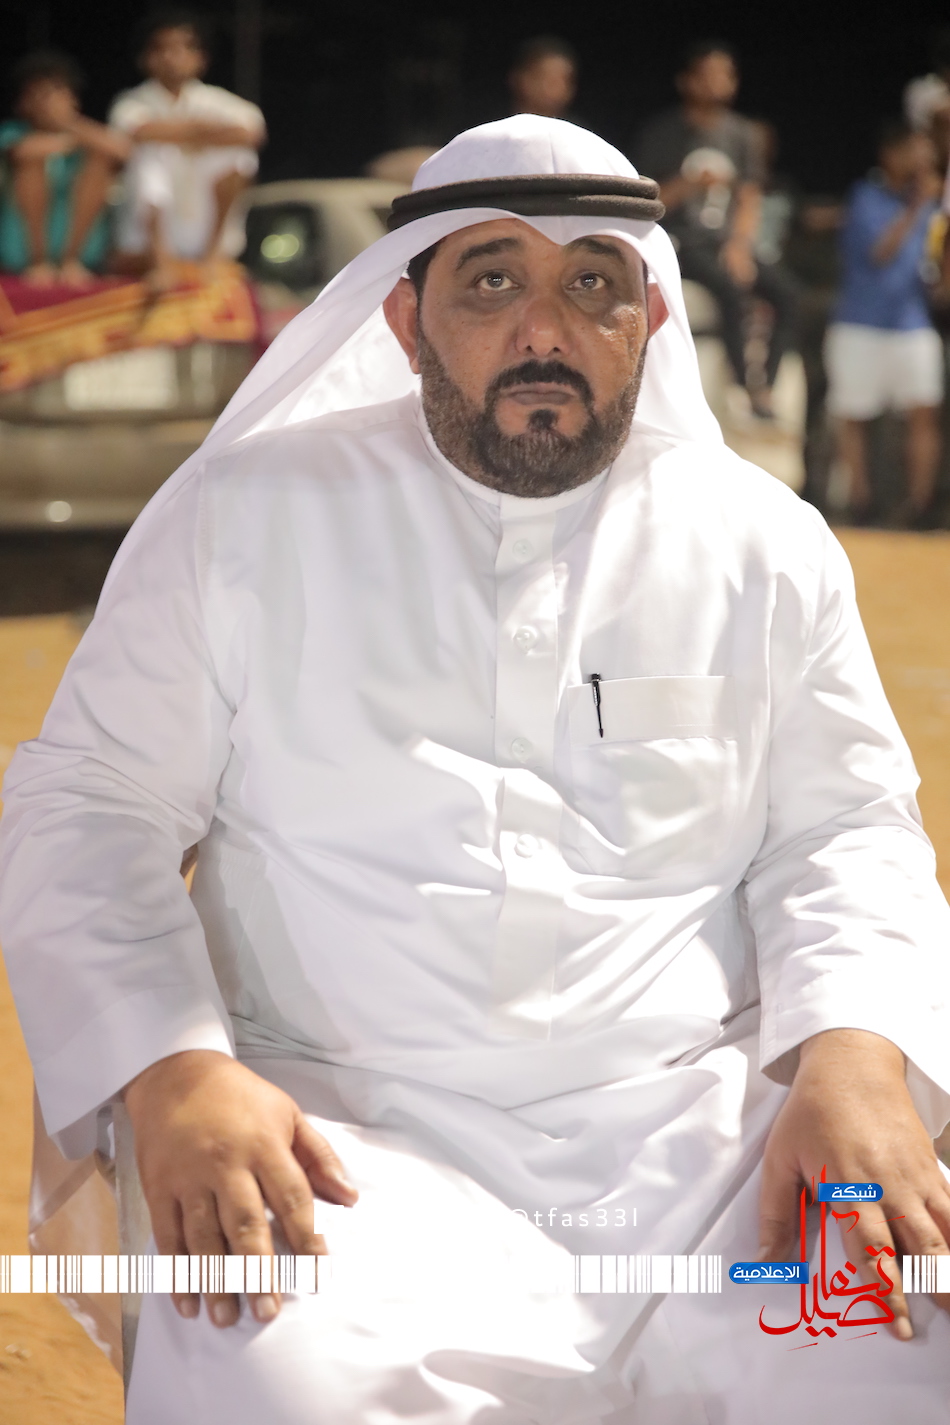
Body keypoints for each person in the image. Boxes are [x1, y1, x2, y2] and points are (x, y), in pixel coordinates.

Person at [1, 116, 950, 1425]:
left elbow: (841, 830)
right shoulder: (246, 519)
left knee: (896, 1358)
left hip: (713, 1147)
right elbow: (91, 806)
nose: (541, 328)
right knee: (280, 1386)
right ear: (405, 323)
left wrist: (852, 1056)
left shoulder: (759, 545)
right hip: (345, 1143)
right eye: (490, 281)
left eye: (590, 284)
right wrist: (174, 1070)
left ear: (648, 320)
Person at [634, 40, 800, 419]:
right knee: (729, 290)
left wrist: (740, 245)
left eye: (726, 75)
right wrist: (690, 184)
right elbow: (648, 199)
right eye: (708, 75)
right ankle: (744, 387)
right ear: (687, 80)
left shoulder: (742, 134)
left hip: (727, 241)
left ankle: (767, 384)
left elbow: (749, 195)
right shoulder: (663, 132)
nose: (718, 83)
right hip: (680, 241)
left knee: (788, 294)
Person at [824, 119, 943, 526]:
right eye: (913, 151)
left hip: (913, 322)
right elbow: (880, 253)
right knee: (853, 414)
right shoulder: (866, 196)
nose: (922, 160)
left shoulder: (935, 207)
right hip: (860, 322)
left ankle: (919, 507)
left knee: (923, 413)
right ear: (890, 154)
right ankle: (860, 502)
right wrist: (916, 207)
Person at [108, 9, 265, 277]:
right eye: (163, 49)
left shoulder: (217, 100)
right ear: (146, 58)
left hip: (201, 229)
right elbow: (139, 132)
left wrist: (180, 133)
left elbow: (250, 133)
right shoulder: (131, 101)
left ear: (200, 58)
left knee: (240, 158)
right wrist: (204, 134)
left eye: (183, 48)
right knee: (151, 153)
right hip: (145, 242)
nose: (173, 57)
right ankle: (161, 259)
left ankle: (212, 255)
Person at [0, 51, 131, 286]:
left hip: (82, 252)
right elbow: (24, 151)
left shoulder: (85, 135)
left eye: (55, 92)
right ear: (22, 103)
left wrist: (70, 124)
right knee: (31, 165)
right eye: (37, 94)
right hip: (21, 252)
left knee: (100, 161)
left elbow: (122, 151)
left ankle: (71, 260)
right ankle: (38, 262)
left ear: (73, 99)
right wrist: (71, 140)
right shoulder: (12, 132)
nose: (46, 102)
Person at [508, 36, 579, 123]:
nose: (558, 89)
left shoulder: (578, 131)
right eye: (548, 80)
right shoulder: (494, 127)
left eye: (566, 81)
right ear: (520, 79)